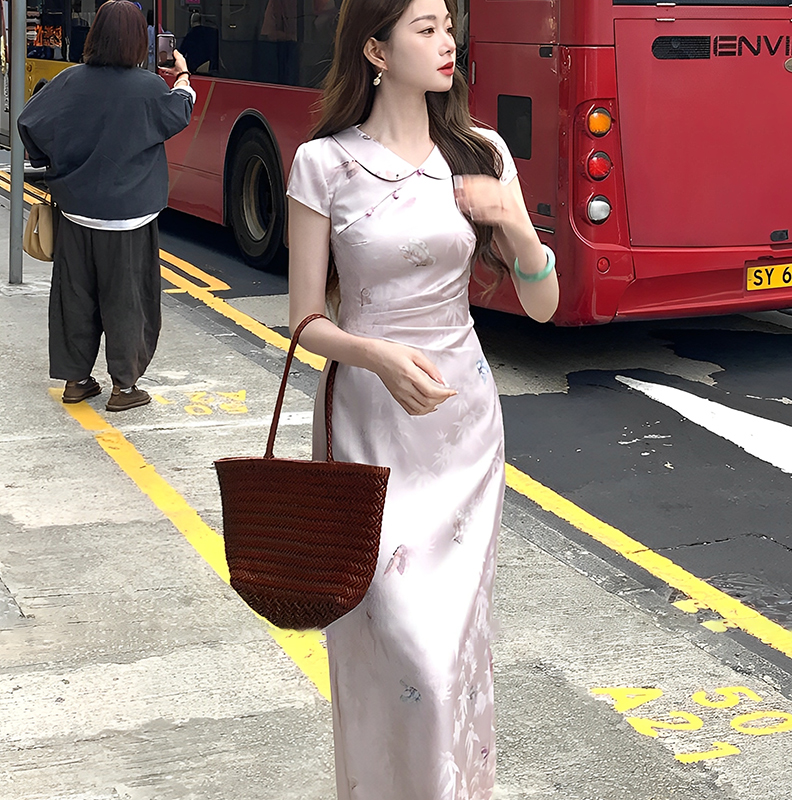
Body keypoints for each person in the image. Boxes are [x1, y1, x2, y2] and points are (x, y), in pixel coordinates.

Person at [286, 0, 559, 795]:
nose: (448, 43)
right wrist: (373, 355)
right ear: (376, 50)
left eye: (449, 27)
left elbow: (544, 305)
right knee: (398, 642)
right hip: (368, 427)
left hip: (463, 431)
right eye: (427, 28)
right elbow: (303, 320)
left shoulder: (482, 154)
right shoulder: (323, 164)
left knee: (451, 652)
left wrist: (517, 225)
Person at [17, 0, 195, 411]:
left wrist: (48, 161)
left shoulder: (69, 80)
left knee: (75, 298)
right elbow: (180, 111)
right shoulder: (149, 87)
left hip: (76, 213)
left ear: (95, 35)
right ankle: (124, 388)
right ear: (138, 41)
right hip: (130, 218)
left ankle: (76, 381)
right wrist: (183, 74)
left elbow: (29, 122)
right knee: (128, 300)